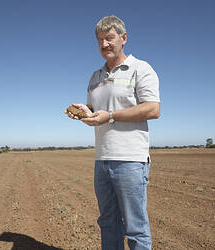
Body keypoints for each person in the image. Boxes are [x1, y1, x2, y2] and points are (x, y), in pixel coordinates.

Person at [66, 15, 160, 250]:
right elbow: (96, 114)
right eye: (100, 40)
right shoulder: (95, 77)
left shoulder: (141, 68)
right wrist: (83, 112)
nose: (104, 44)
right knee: (108, 223)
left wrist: (112, 115)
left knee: (135, 228)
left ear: (123, 38)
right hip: (102, 160)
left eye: (109, 38)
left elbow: (153, 108)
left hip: (130, 160)